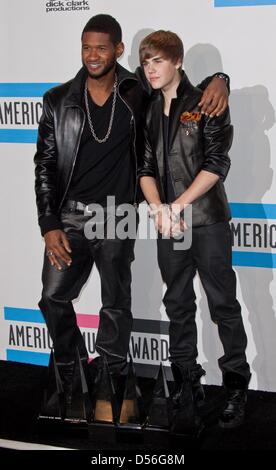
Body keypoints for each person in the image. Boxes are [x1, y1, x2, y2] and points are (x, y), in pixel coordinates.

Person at [34, 14, 230, 410]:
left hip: (117, 214)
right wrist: (48, 222)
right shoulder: (58, 100)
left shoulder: (136, 90)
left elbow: (175, 82)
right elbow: (44, 165)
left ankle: (110, 371)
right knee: (53, 296)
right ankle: (70, 363)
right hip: (69, 216)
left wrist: (221, 79)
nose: (93, 56)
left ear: (118, 50)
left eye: (101, 48)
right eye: (86, 47)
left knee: (116, 303)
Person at [138, 30, 251, 429]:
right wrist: (158, 210)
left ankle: (236, 386)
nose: (150, 69)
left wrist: (177, 206)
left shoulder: (208, 100)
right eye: (146, 61)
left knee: (223, 305)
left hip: (206, 222)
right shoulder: (148, 107)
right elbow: (145, 167)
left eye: (158, 61)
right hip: (170, 225)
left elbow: (218, 163)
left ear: (178, 62)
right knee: (178, 306)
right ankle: (188, 382)